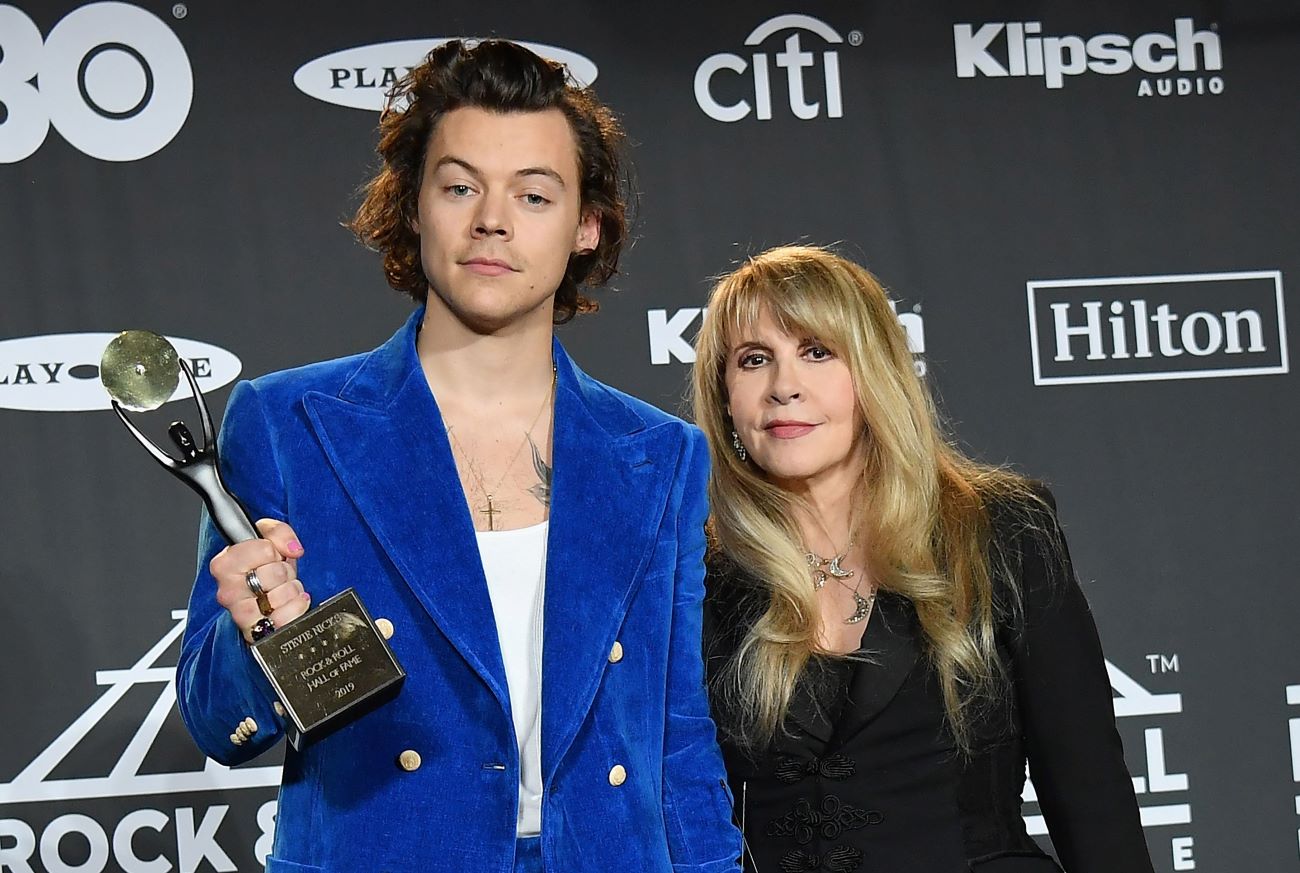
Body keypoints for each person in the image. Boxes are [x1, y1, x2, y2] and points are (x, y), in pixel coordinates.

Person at [176, 40, 741, 873]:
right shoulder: (289, 422)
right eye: (460, 185)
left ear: (587, 226)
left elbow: (679, 744)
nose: (493, 220)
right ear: (414, 206)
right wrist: (255, 637)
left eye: (535, 194)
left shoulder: (661, 456)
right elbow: (213, 719)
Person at [692, 245, 1154, 872]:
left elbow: (1091, 795)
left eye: (817, 352)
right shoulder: (693, 572)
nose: (783, 387)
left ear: (874, 372)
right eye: (754, 360)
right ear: (725, 398)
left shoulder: (1000, 531)